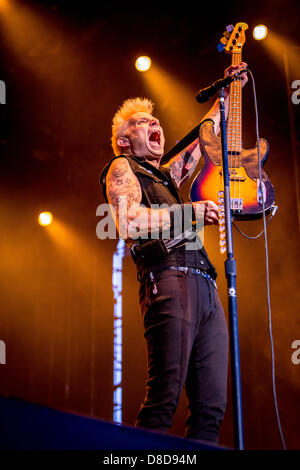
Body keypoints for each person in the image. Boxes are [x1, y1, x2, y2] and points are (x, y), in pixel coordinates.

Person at [100, 63, 248, 444]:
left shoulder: (165, 175)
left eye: (156, 119)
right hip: (168, 278)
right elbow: (129, 221)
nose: (155, 124)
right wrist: (191, 213)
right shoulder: (122, 168)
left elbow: (203, 141)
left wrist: (226, 96)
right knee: (163, 399)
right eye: (142, 122)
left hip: (206, 288)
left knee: (212, 408)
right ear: (123, 140)